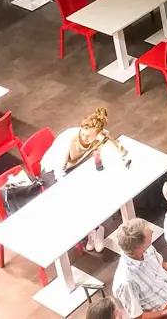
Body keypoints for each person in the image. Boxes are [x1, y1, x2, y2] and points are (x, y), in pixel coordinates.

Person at [42, 106, 130, 251]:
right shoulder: (69, 139)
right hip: (51, 170)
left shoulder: (100, 136)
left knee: (93, 186)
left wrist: (121, 155)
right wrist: (70, 188)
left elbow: (119, 149)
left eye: (89, 136)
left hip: (72, 167)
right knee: (72, 197)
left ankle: (96, 229)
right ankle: (92, 231)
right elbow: (59, 171)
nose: (85, 138)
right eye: (83, 134)